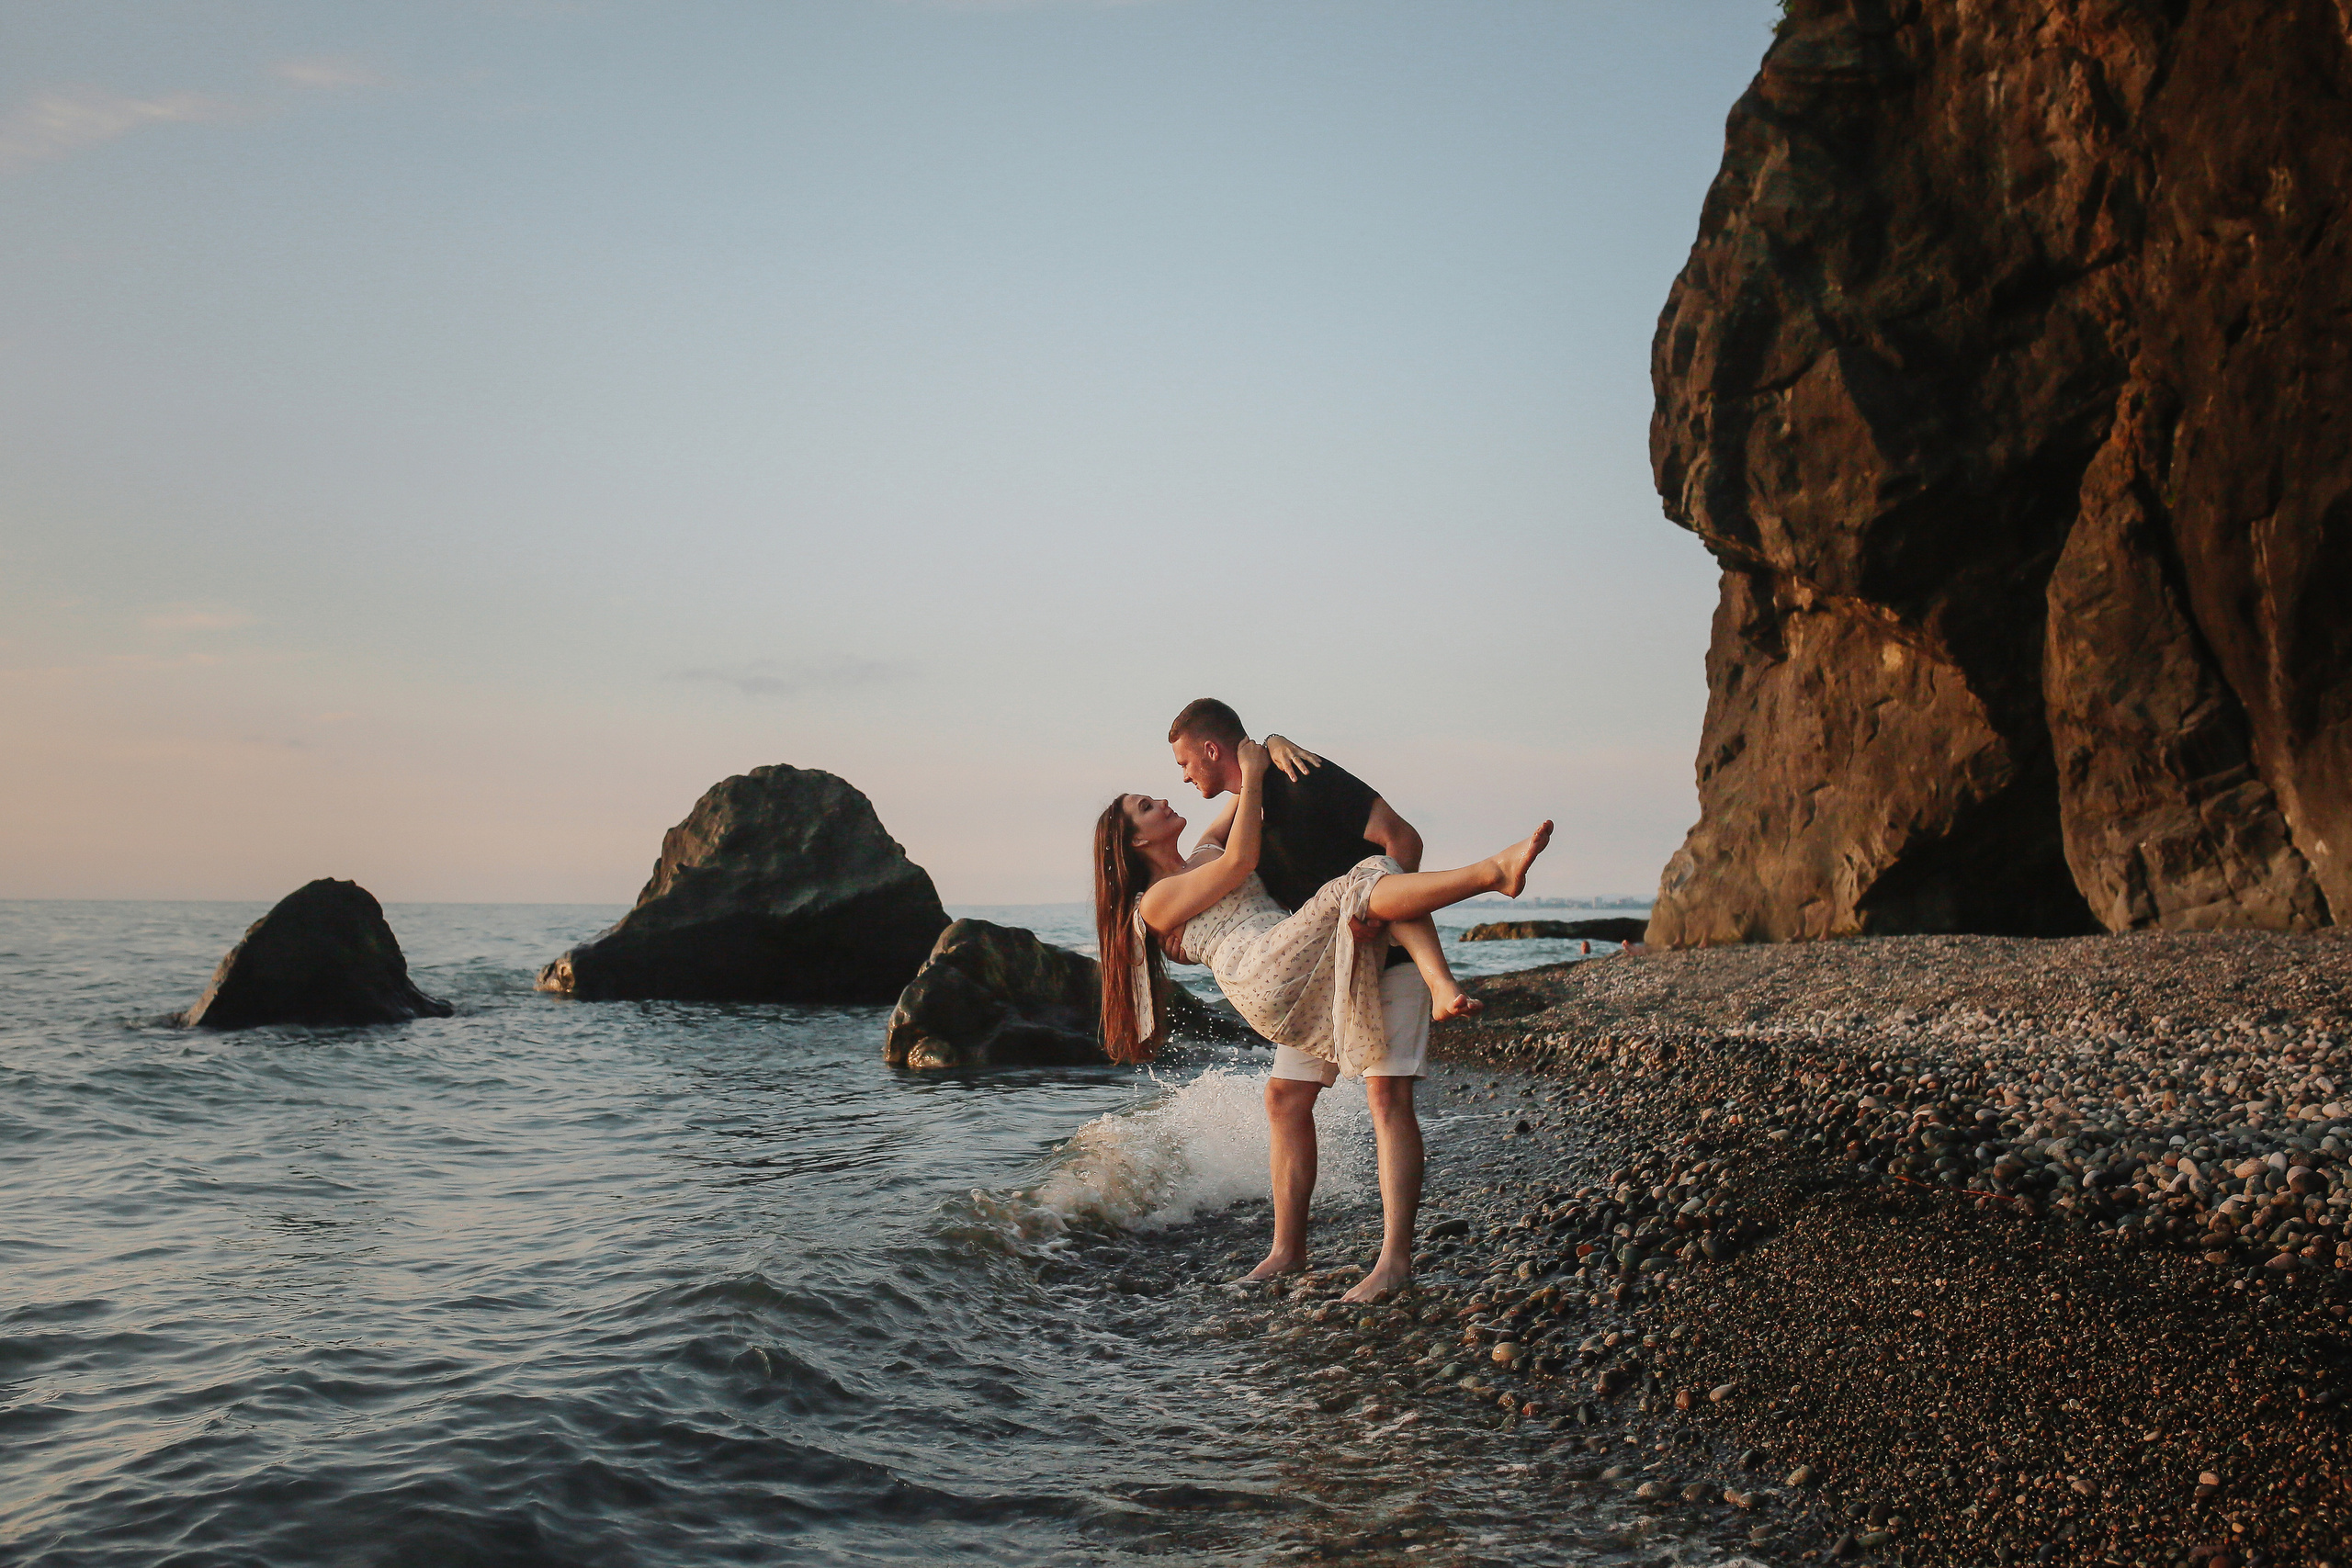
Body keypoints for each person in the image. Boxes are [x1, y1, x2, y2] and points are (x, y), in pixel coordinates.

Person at [1091, 705, 1552, 1303]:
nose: (1171, 789)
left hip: (1298, 964)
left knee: (1286, 1099)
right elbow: (1242, 855)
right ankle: (1490, 875)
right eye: (1147, 805)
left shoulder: (1202, 853)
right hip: (1269, 970)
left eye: (1180, 766)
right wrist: (1258, 764)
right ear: (1135, 840)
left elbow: (1240, 790)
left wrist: (1272, 743)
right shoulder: (1158, 900)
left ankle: (1293, 1252)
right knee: (1364, 878)